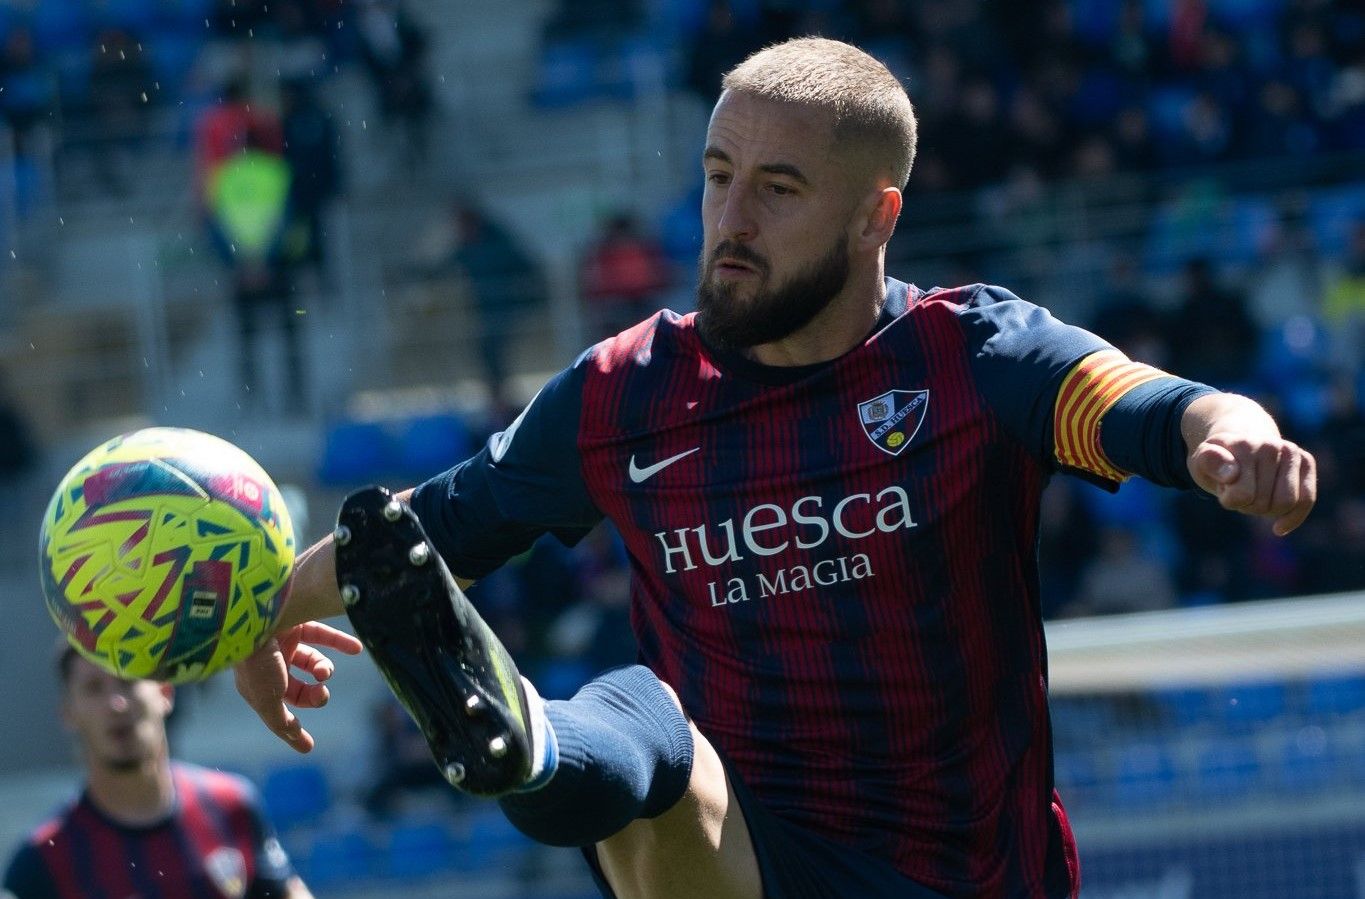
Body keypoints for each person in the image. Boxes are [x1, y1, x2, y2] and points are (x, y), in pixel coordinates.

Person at [234, 38, 1317, 899]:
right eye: (718, 175)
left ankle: (547, 742)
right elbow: (422, 531)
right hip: (745, 860)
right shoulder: (626, 390)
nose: (730, 220)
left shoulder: (971, 356)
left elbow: (1148, 401)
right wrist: (267, 613)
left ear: (872, 216)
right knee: (651, 734)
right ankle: (530, 745)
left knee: (651, 737)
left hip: (970, 874)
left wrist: (1238, 431)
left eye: (779, 189)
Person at [3, 644, 314, 898]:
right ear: (68, 713)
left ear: (166, 692)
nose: (116, 703)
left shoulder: (231, 804)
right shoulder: (42, 861)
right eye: (93, 688)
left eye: (127, 680)